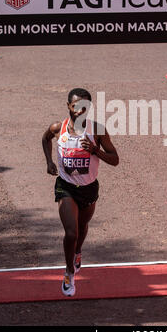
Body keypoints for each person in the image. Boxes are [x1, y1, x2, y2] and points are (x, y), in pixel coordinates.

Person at [42, 88, 119, 296]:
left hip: (89, 188)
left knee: (82, 225)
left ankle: (77, 253)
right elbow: (45, 138)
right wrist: (49, 162)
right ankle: (69, 272)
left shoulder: (98, 131)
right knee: (71, 232)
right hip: (66, 186)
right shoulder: (59, 128)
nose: (80, 110)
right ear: (69, 106)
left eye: (85, 106)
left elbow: (115, 160)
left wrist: (95, 150)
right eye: (76, 106)